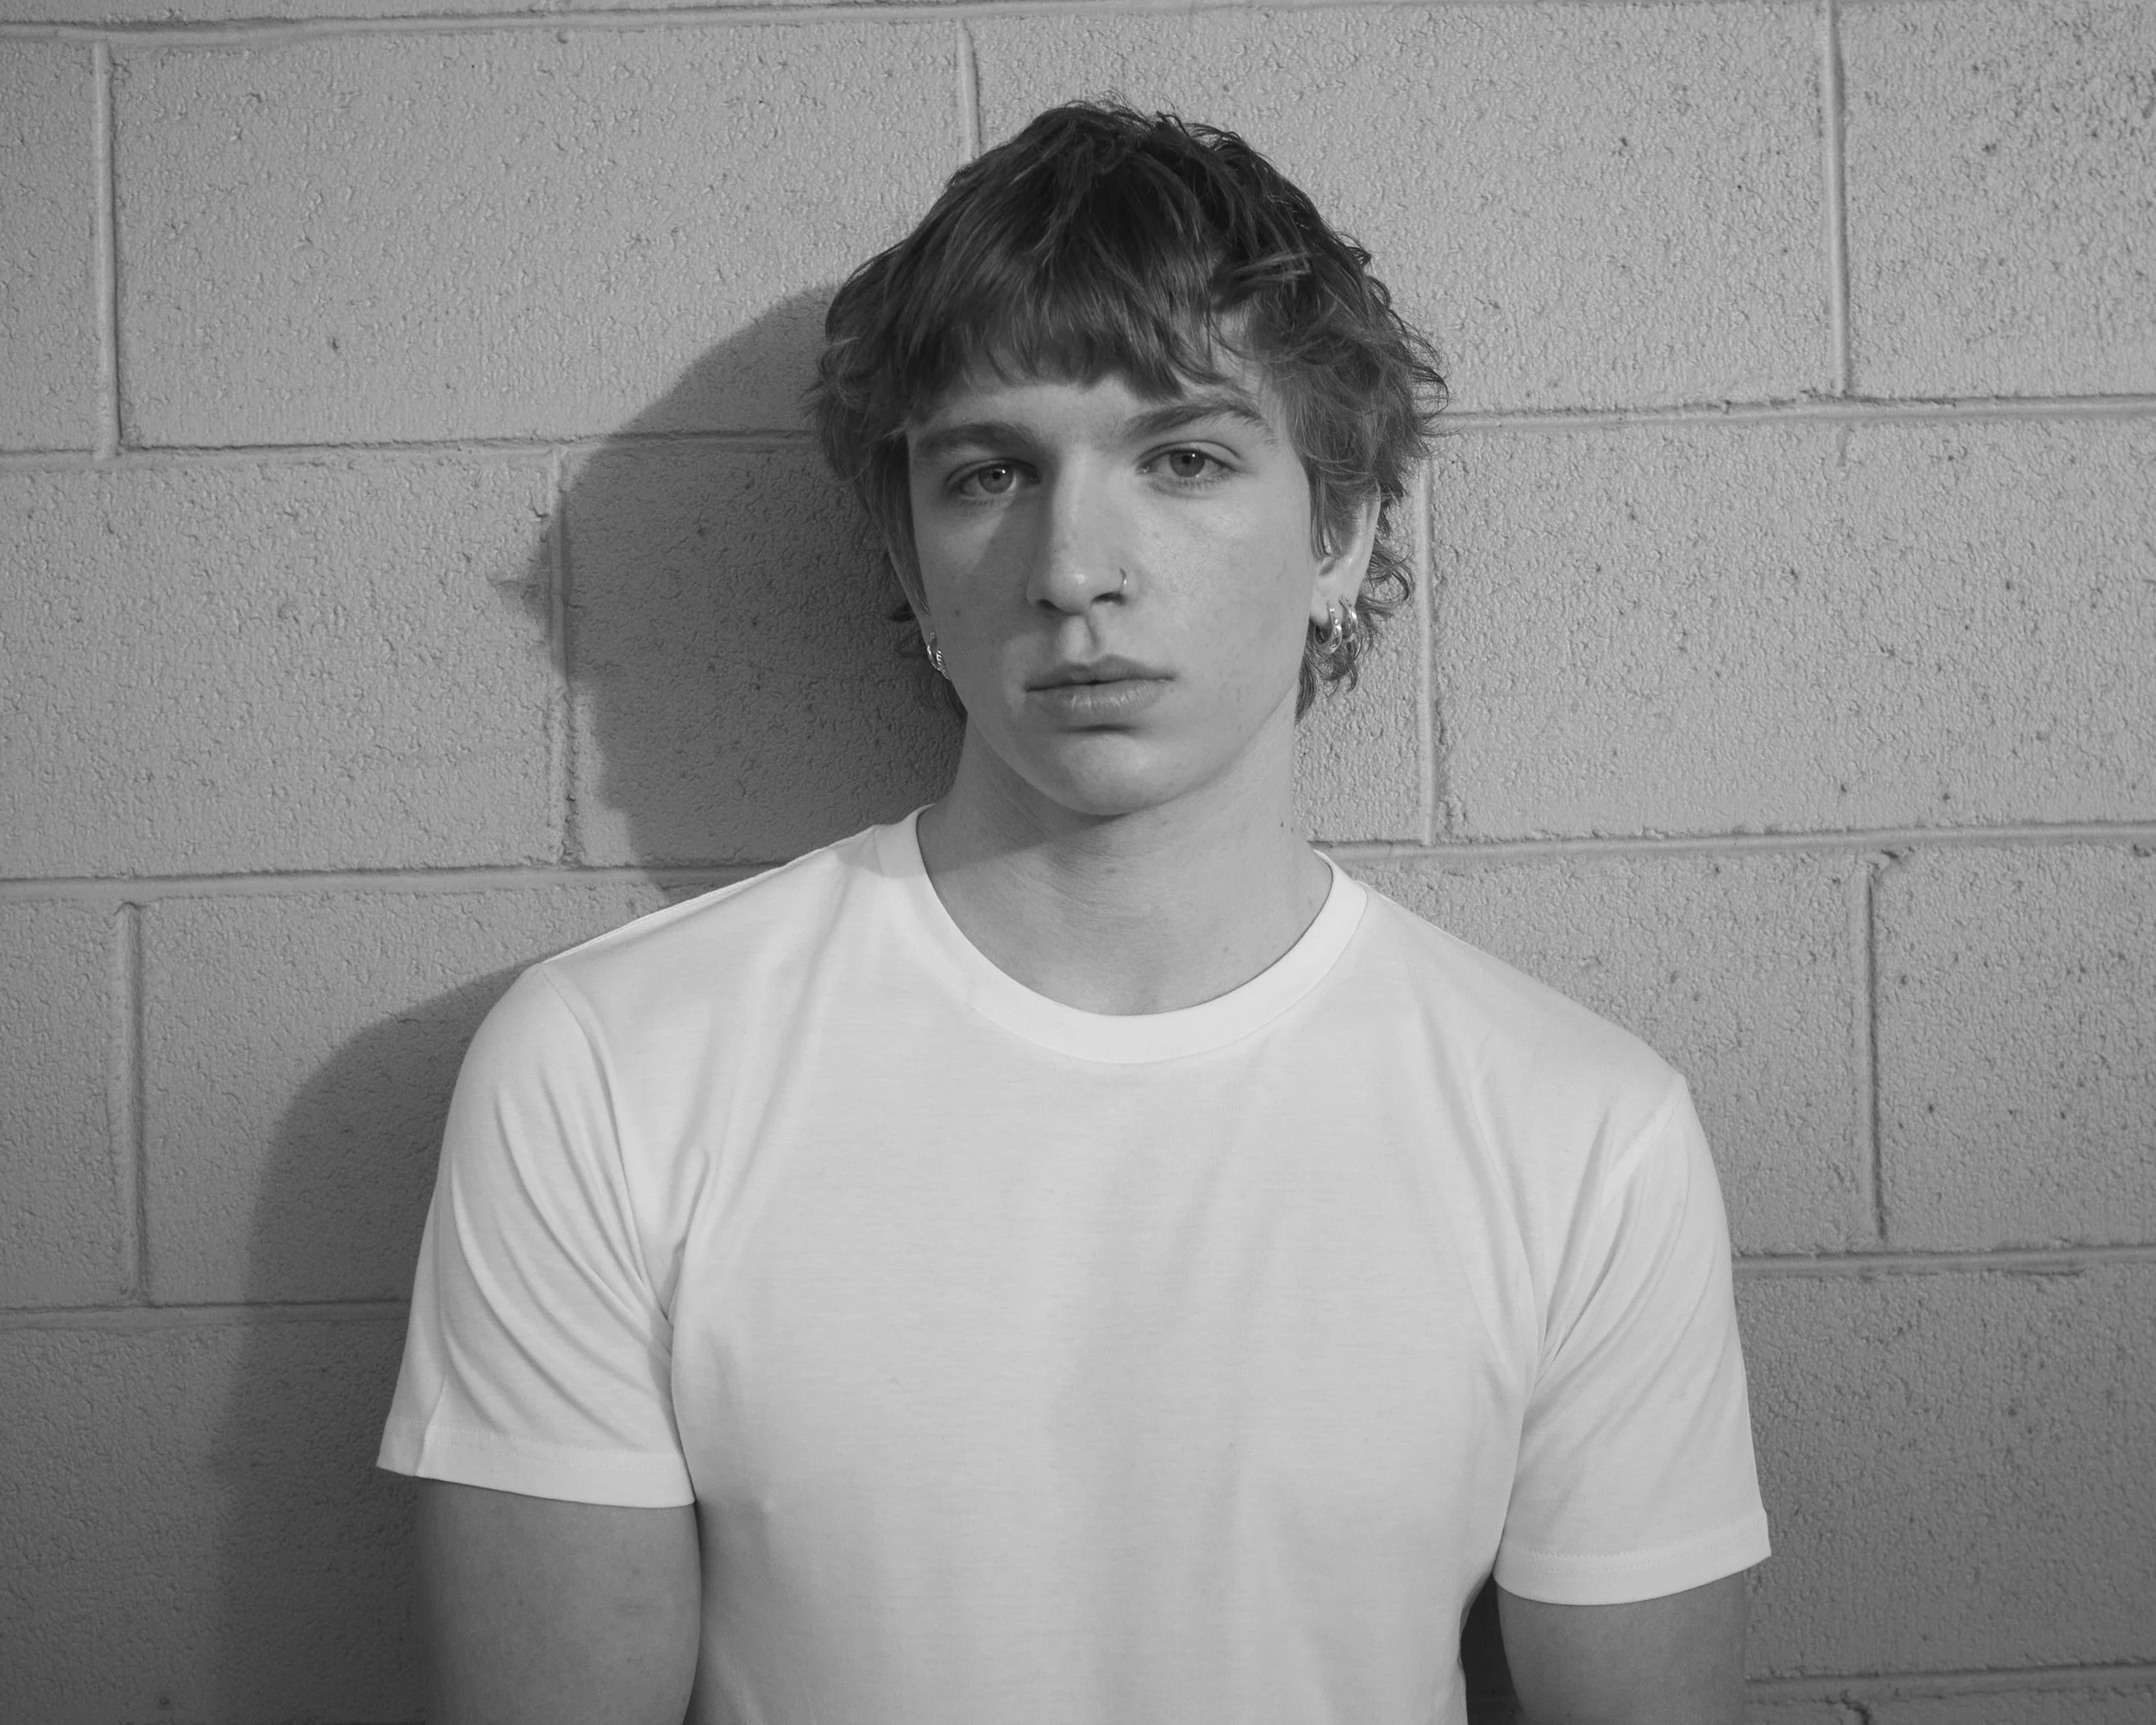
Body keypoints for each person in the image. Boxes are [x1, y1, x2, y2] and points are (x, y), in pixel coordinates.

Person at [379, 101, 1770, 1725]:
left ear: (1341, 528)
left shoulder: (1579, 1132)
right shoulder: (610, 1070)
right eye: (990, 472)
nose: (1075, 564)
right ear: (906, 549)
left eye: (1182, 458)